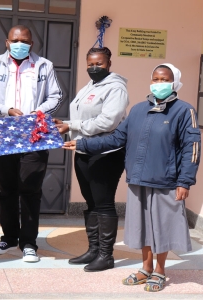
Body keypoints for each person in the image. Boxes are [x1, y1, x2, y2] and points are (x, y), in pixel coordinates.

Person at [63, 63, 201, 291]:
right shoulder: (138, 110)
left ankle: (160, 270)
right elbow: (116, 138)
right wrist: (83, 143)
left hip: (165, 180)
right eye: (155, 79)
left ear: (175, 83)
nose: (159, 84)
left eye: (164, 79)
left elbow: (192, 148)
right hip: (138, 179)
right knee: (142, 227)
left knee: (162, 227)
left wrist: (185, 181)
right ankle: (145, 268)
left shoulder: (184, 111)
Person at [0, 25, 62, 262]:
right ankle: (9, 237)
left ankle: (29, 242)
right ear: (6, 42)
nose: (20, 43)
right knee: (8, 188)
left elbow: (56, 96)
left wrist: (38, 112)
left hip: (34, 132)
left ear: (31, 44)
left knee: (31, 188)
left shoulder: (44, 65)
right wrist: (6, 110)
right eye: (15, 40)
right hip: (3, 132)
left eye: (25, 40)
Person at [53, 47, 129, 272]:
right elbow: (84, 116)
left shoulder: (116, 88)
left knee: (103, 203)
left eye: (99, 64)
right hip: (84, 151)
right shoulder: (91, 86)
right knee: (91, 203)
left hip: (105, 154)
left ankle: (106, 256)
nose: (94, 68)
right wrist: (64, 123)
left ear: (109, 64)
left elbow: (108, 122)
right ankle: (93, 250)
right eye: (90, 64)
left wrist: (72, 126)